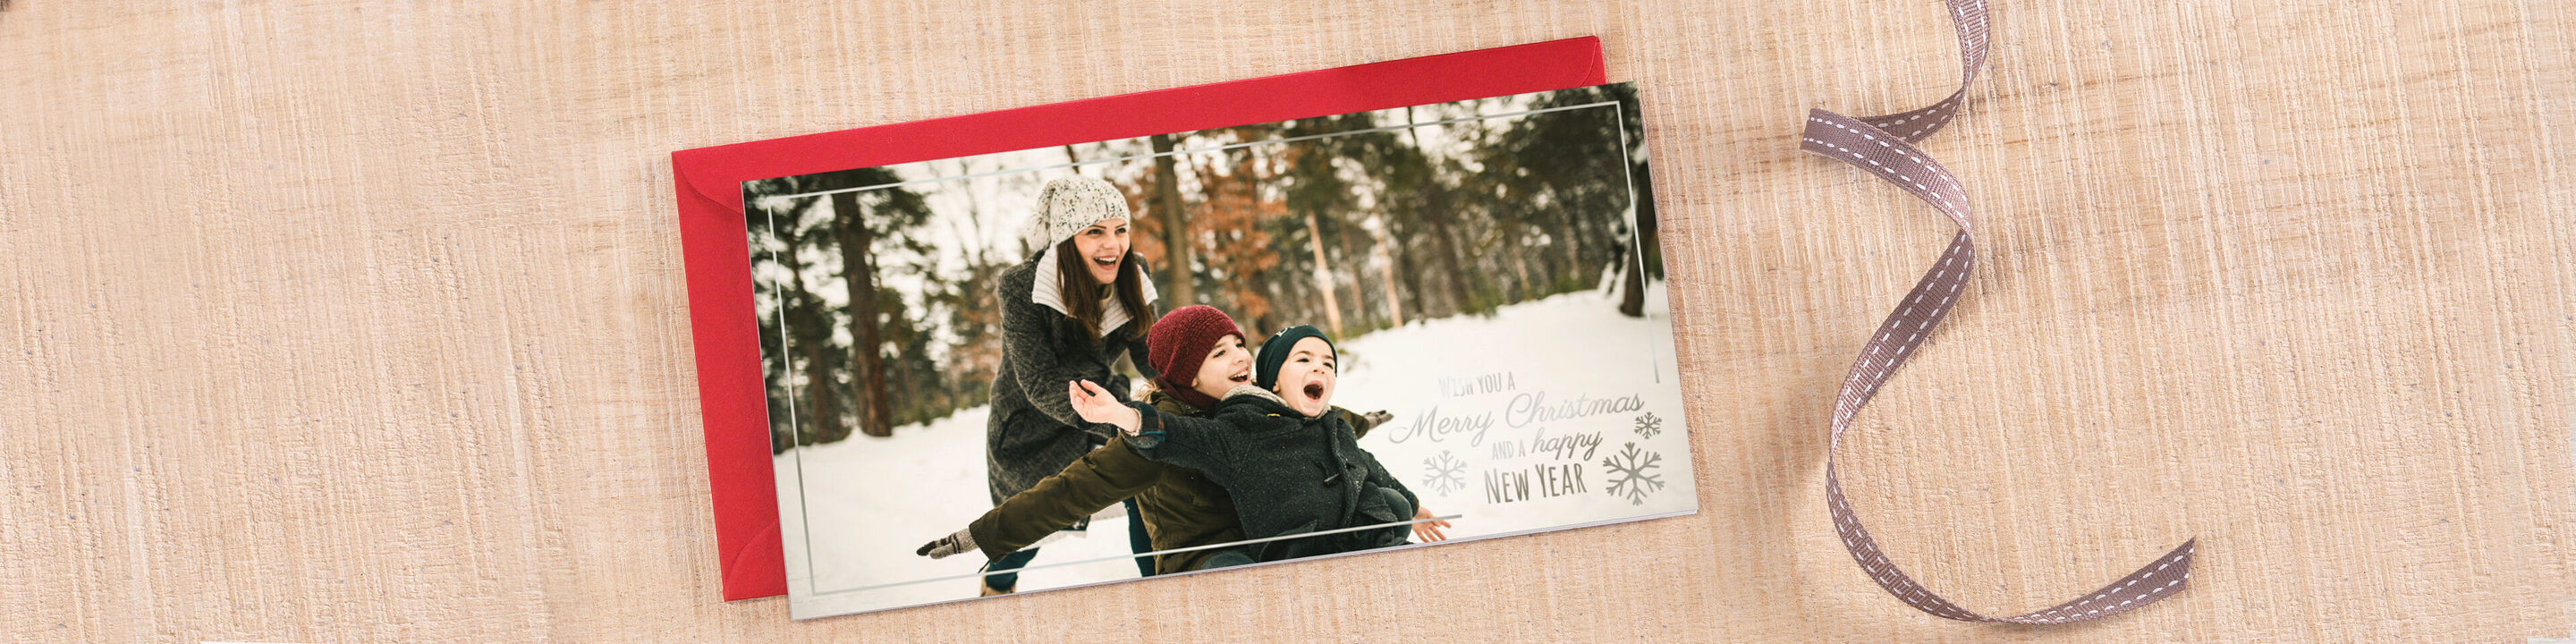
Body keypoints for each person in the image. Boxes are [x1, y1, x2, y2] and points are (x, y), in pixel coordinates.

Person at [917, 307, 1444, 574]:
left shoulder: (1244, 404)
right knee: (1235, 577)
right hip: (1204, 558)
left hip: (1261, 543)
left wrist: (1362, 420)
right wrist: (980, 536)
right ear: (1188, 373)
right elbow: (1073, 490)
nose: (1241, 357)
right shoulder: (1156, 432)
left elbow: (1314, 423)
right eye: (1219, 353)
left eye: (1238, 344)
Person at [1072, 326, 1437, 563]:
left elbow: (1371, 466)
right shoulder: (1243, 432)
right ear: (1274, 382)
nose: (1320, 368)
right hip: (1297, 555)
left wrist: (1415, 505)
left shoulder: (1335, 427)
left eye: (1329, 364)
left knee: (1392, 503)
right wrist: (1122, 415)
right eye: (1304, 359)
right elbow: (1180, 436)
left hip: (1359, 540)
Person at [979, 174, 1159, 595]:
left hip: (1103, 399)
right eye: (1094, 232)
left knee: (1142, 483)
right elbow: (1040, 380)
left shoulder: (1134, 271)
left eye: (1120, 230)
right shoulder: (1021, 285)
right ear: (1066, 238)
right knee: (1032, 527)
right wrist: (1118, 418)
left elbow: (1150, 353)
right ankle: (998, 582)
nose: (1112, 244)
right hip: (1033, 423)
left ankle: (1161, 587)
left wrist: (1190, 391)